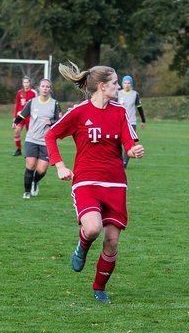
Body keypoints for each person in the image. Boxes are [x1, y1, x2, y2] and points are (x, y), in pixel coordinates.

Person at [46, 62, 144, 303]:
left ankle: (99, 287)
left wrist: (133, 151)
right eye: (114, 83)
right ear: (102, 86)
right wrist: (59, 165)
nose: (119, 86)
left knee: (111, 242)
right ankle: (82, 244)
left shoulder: (120, 111)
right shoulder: (79, 112)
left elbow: (128, 143)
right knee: (92, 228)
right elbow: (51, 135)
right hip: (86, 181)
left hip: (115, 183)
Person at [13, 78, 62, 198]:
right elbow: (22, 114)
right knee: (30, 165)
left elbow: (60, 120)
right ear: (39, 88)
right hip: (32, 138)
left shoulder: (55, 103)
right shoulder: (32, 102)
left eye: (47, 87)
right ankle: (27, 191)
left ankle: (36, 181)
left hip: (46, 141)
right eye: (43, 86)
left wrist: (51, 121)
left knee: (41, 170)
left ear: (50, 89)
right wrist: (15, 122)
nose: (45, 88)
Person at [116, 74, 146, 166]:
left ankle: (124, 163)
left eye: (129, 83)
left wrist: (143, 120)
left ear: (131, 84)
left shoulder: (135, 94)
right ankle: (118, 161)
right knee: (117, 142)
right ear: (122, 84)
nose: (127, 85)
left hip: (131, 122)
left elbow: (139, 108)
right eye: (125, 83)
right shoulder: (117, 93)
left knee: (129, 143)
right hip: (118, 122)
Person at [12, 76, 36, 155]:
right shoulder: (19, 93)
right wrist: (15, 117)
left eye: (27, 82)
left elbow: (37, 105)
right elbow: (17, 105)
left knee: (30, 134)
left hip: (30, 116)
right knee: (17, 131)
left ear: (30, 83)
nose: (26, 84)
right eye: (24, 82)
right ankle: (18, 149)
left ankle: (30, 151)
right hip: (21, 116)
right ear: (22, 83)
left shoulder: (33, 93)